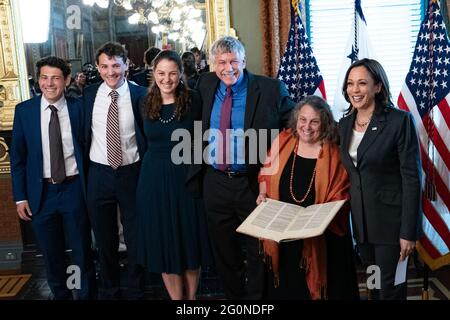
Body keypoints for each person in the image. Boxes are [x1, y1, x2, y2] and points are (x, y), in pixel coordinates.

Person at [187, 36, 295, 299]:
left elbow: (295, 127)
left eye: (234, 61)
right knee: (223, 253)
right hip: (215, 182)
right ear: (213, 65)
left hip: (253, 183)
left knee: (259, 248)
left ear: (244, 61)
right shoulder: (204, 85)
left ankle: (257, 301)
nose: (228, 67)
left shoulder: (271, 89)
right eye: (222, 62)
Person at [257, 96, 359, 300]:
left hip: (323, 239)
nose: (307, 126)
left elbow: (342, 194)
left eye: (314, 121)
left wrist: (317, 219)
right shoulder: (283, 140)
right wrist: (262, 194)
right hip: (284, 236)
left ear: (325, 123)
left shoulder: (336, 153)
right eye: (302, 120)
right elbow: (265, 175)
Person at [10, 56, 95, 300]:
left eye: (55, 78)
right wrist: (20, 198)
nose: (49, 83)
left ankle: (85, 295)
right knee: (51, 254)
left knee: (81, 252)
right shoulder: (24, 111)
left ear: (66, 80)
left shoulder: (79, 108)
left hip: (74, 190)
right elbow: (17, 159)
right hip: (41, 194)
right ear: (38, 81)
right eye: (44, 78)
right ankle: (62, 296)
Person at [338, 58, 422, 300]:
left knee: (392, 289)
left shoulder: (399, 121)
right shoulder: (344, 125)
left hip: (392, 226)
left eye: (362, 83)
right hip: (362, 227)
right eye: (350, 84)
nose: (355, 90)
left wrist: (408, 231)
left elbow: (412, 179)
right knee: (373, 285)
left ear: (377, 87)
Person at [137, 50, 212, 300]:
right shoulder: (144, 103)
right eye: (160, 73)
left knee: (189, 241)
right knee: (163, 244)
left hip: (186, 177)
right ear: (153, 74)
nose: (166, 79)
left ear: (180, 74)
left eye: (172, 73)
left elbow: (205, 138)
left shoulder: (194, 100)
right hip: (153, 180)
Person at [84, 42, 147, 299]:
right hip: (99, 173)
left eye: (116, 66)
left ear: (126, 65)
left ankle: (136, 288)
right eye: (105, 66)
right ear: (98, 68)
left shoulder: (141, 95)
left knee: (134, 235)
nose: (111, 72)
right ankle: (109, 289)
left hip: (131, 171)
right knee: (104, 236)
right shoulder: (88, 95)